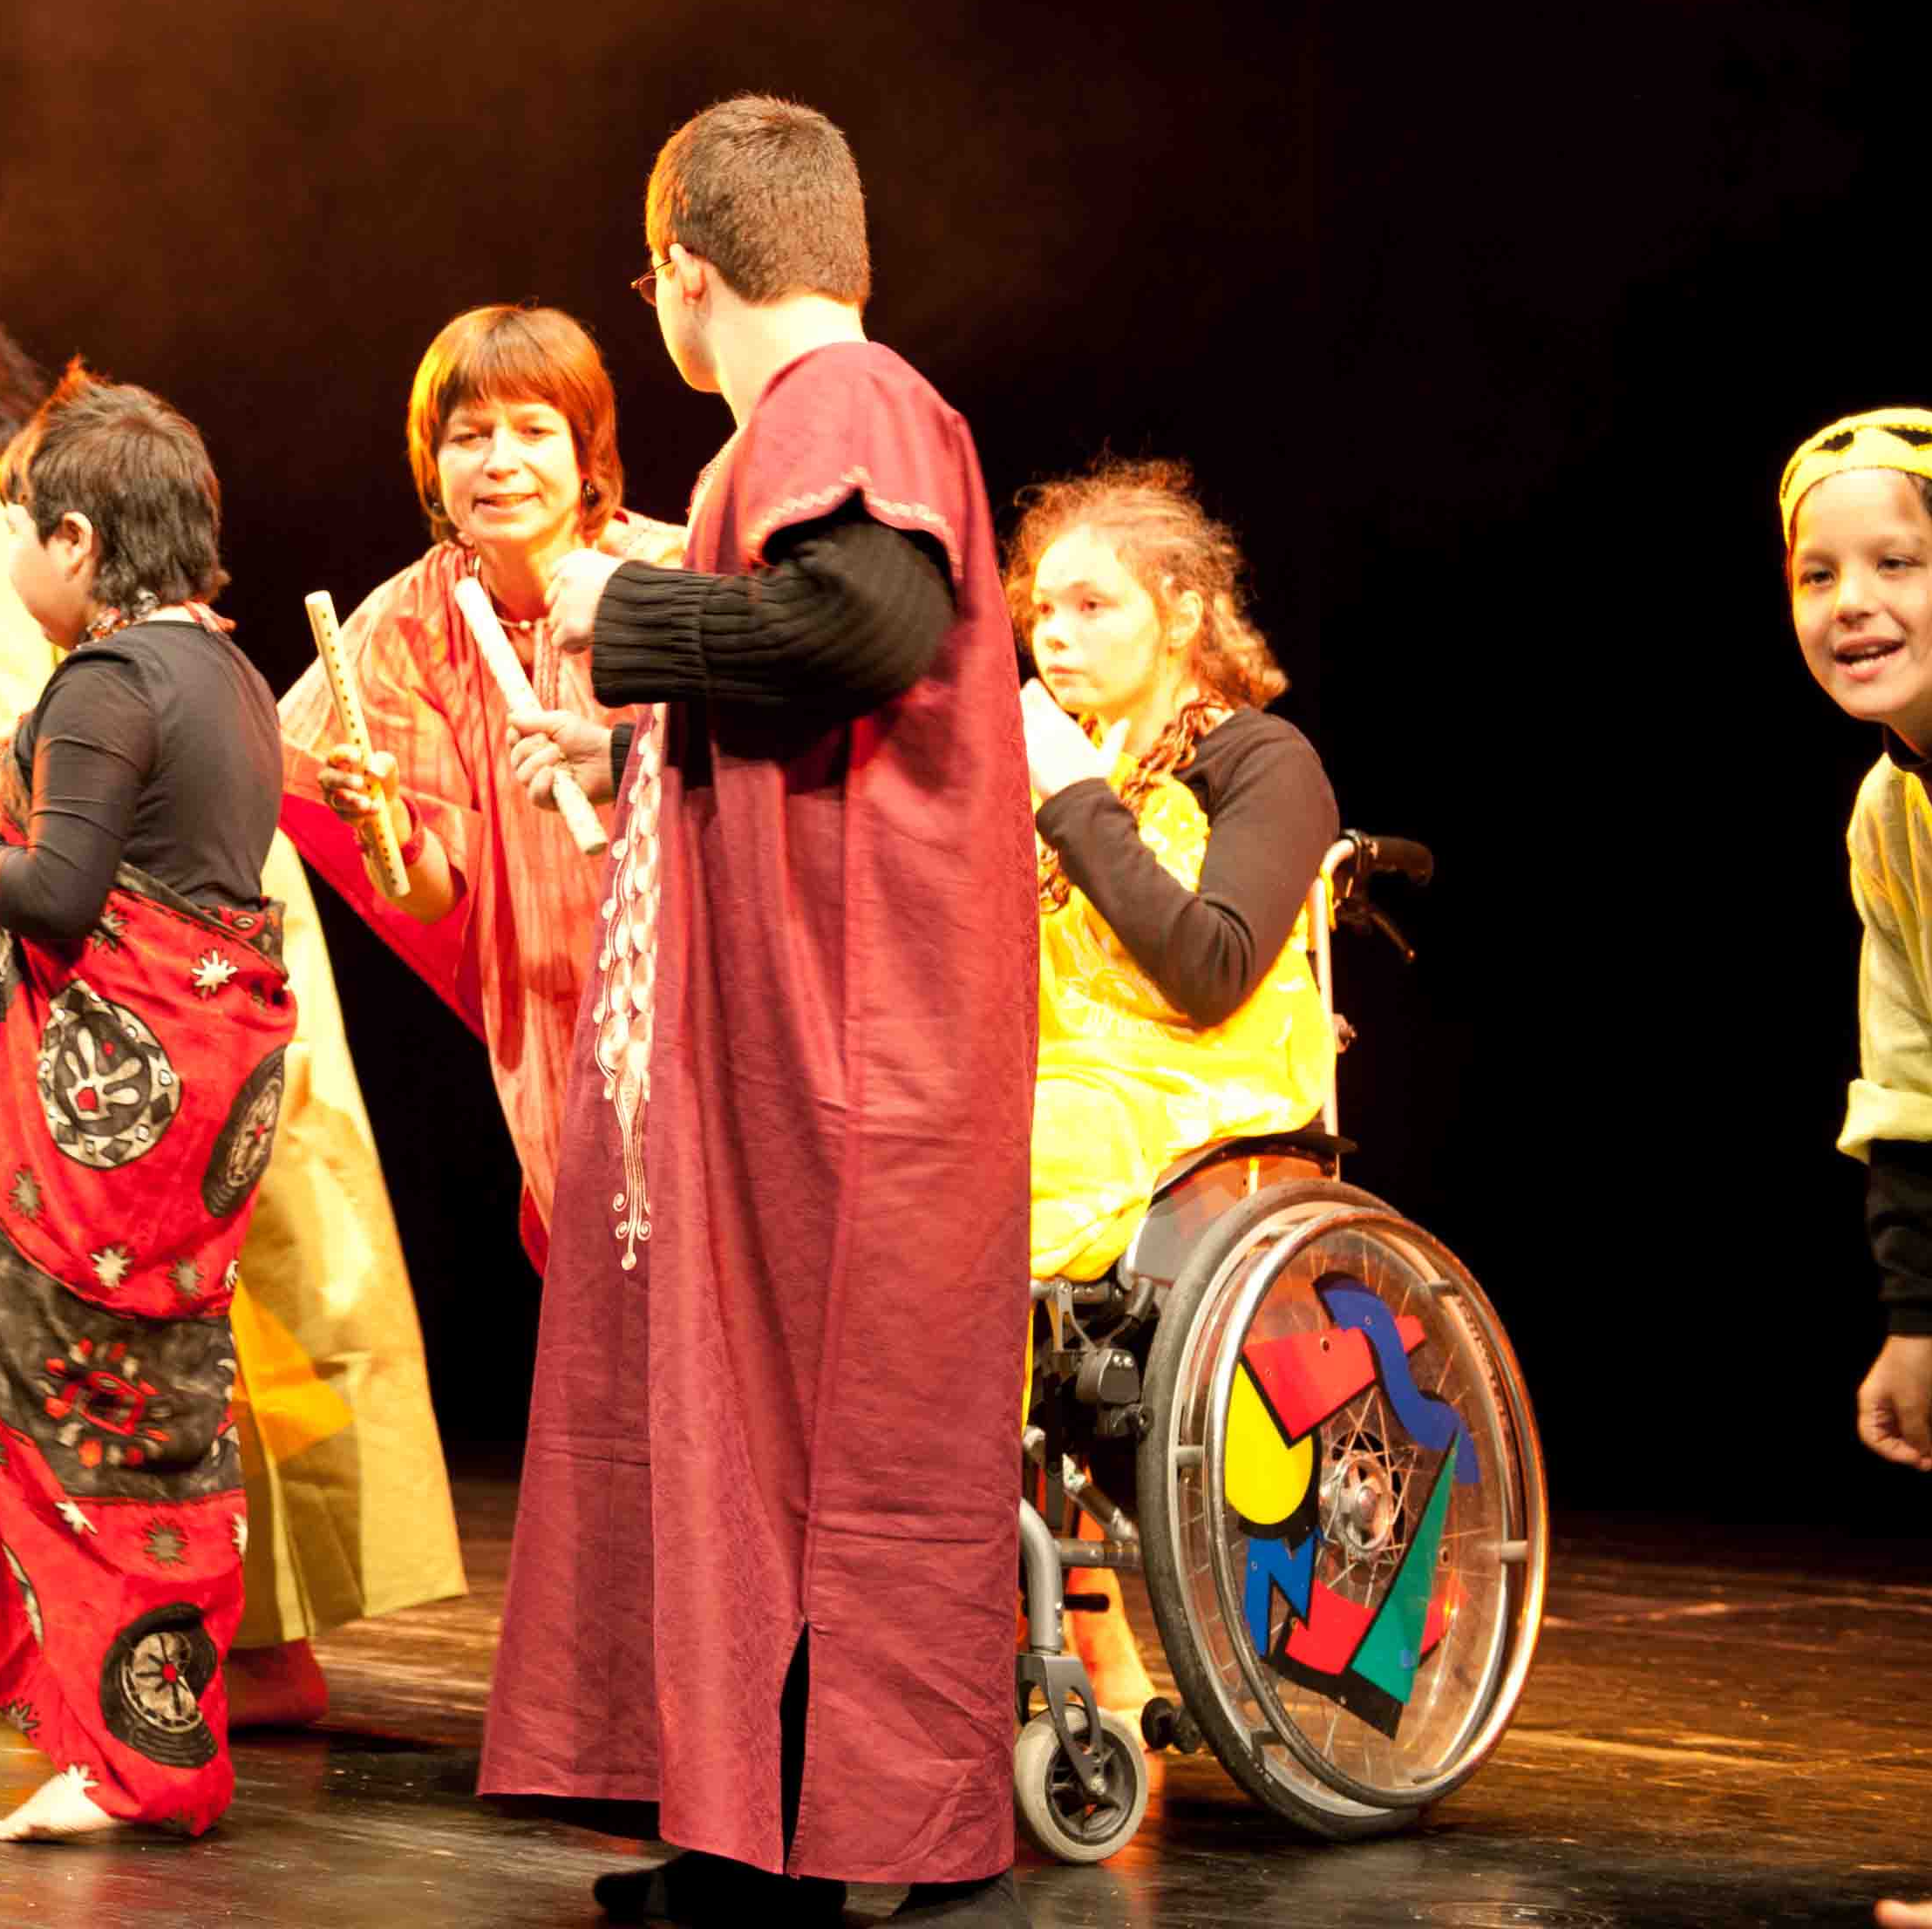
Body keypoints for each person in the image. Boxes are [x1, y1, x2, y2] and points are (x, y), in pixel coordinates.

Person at [485, 97, 1036, 1927]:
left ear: (680, 275)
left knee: (825, 1431)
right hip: (819, 1013)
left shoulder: (840, 400)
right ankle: (755, 1840)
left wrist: (627, 610)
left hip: (850, 1034)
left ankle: (810, 1848)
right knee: (768, 1429)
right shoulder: (827, 413)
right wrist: (634, 745)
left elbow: (860, 630)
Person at [0, 268, 463, 1731]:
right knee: (257, 1273)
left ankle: (119, 1638)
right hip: (235, 934)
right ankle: (251, 1640)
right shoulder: (89, 510)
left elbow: (5, 790)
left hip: (126, 966)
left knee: (115, 1303)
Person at [0, 370, 304, 1844]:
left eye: (20, 536)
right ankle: (148, 1741)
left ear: (78, 543)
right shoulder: (230, 673)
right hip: (203, 1102)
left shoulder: (107, 682)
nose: (13, 566)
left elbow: (55, 896)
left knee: (62, 1411)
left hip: (105, 1121)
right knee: (153, 1414)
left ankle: (118, 1758)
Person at [1003, 458, 1338, 1735]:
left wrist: (1071, 801)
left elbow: (1208, 971)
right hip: (1065, 1092)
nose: (1055, 636)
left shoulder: (1263, 762)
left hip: (1205, 1101)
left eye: (1092, 606)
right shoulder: (1053, 776)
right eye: (1042, 611)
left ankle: (1050, 1615)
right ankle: (1036, 1613)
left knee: (981, 1172)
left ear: (1183, 611)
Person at [282, 304, 685, 1261]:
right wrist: (385, 822)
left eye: (533, 430)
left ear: (587, 454)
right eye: (469, 437)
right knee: (610, 1279)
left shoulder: (672, 573)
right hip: (546, 1005)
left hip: (691, 986)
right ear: (434, 466)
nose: (500, 461)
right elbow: (430, 894)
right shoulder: (407, 622)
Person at [1775, 408, 1932, 1929]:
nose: (1851, 602)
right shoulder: (1891, 813)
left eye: (1896, 563)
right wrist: (1920, 1317)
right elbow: (1909, 1074)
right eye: (1816, 573)